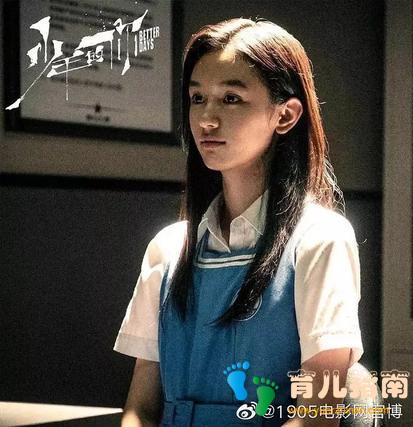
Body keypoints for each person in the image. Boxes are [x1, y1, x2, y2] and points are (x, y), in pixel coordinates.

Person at [113, 17, 364, 426]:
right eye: (197, 98)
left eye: (231, 98)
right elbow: (141, 406)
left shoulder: (321, 239)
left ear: (285, 116)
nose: (206, 120)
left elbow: (319, 414)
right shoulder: (169, 248)